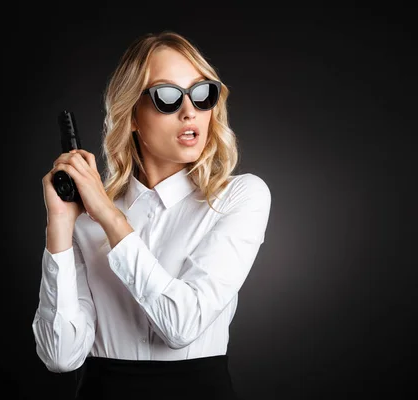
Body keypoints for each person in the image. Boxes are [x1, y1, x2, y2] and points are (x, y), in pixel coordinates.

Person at [32, 30, 271, 400]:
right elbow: (60, 356)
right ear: (131, 116)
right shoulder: (84, 219)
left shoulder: (239, 197)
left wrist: (110, 219)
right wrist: (61, 225)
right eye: (168, 97)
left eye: (202, 93)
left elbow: (181, 325)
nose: (190, 111)